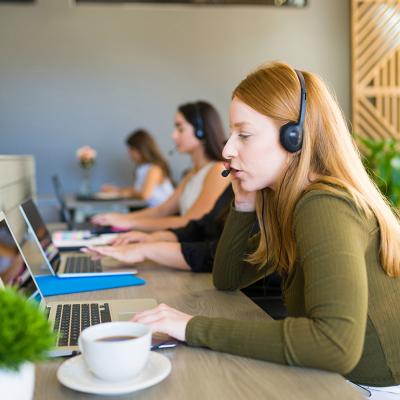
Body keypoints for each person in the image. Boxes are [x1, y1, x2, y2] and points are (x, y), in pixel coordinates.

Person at [130, 62, 400, 390]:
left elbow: (334, 345)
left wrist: (190, 327)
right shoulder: (285, 201)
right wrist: (243, 203)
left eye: (244, 134)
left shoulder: (324, 205)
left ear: (294, 138)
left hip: (369, 388)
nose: (228, 150)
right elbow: (228, 278)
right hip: (338, 378)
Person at [92, 101, 230, 231]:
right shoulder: (191, 173)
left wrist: (130, 222)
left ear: (201, 132)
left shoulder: (218, 171)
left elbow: (190, 222)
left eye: (180, 129)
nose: (173, 136)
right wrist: (120, 218)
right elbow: (162, 210)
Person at [84, 185, 234, 272]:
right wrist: (152, 238)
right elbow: (199, 226)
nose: (173, 135)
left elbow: (219, 255)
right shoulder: (233, 184)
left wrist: (146, 248)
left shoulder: (220, 170)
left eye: (244, 136)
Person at [101, 129, 174, 207]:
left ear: (141, 149)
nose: (129, 153)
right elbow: (136, 190)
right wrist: (117, 191)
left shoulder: (154, 169)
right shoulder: (142, 168)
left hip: (162, 212)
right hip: (152, 210)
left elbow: (144, 195)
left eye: (131, 149)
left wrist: (126, 193)